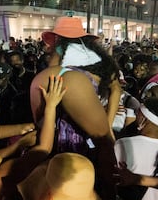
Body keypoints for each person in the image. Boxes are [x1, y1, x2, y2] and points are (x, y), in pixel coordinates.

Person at [30, 17, 119, 200]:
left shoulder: (64, 70)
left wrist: (105, 128)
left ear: (59, 42)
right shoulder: (100, 66)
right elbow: (116, 89)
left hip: (65, 144)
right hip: (86, 143)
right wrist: (107, 124)